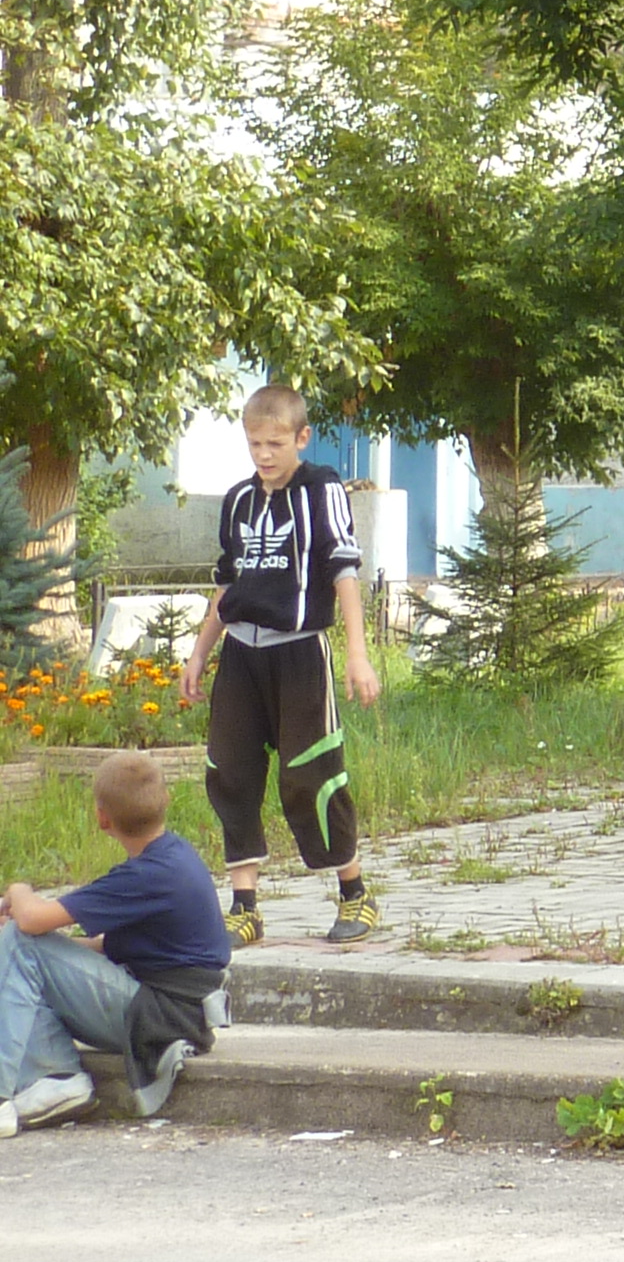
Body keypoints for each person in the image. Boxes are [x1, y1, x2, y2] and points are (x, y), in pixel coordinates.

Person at [179, 384, 384, 945]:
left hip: (299, 652)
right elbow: (227, 585)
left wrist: (357, 657)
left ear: (301, 437)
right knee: (230, 771)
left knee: (311, 773)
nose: (264, 455)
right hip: (241, 654)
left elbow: (345, 570)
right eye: (254, 444)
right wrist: (199, 653)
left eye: (274, 443)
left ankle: (354, 893)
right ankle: (244, 906)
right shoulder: (239, 500)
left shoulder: (321, 489)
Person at [1, 748, 233, 1130]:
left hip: (159, 1018)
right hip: (182, 1012)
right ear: (166, 802)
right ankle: (55, 1080)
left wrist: (17, 889)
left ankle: (14, 1090)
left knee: (21, 939)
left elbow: (31, 919)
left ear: (101, 817)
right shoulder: (174, 855)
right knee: (19, 952)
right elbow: (106, 946)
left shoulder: (145, 875)